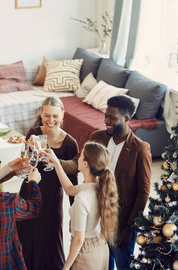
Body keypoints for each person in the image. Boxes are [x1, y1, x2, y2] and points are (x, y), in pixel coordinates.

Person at [62, 95, 152, 270]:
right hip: (96, 220)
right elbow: (78, 162)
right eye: (106, 116)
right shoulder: (97, 137)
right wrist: (56, 162)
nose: (106, 121)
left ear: (126, 119)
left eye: (112, 118)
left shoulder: (140, 149)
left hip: (121, 221)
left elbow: (144, 192)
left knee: (123, 264)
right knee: (104, 263)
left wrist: (129, 228)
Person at [17, 96, 79, 270]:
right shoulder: (33, 133)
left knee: (50, 243)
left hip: (51, 200)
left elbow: (72, 183)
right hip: (29, 194)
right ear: (40, 114)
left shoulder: (70, 144)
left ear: (62, 115)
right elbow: (25, 169)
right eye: (47, 116)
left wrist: (74, 216)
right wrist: (28, 151)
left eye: (55, 116)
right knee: (26, 239)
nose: (51, 121)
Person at [44, 142, 119, 270]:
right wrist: (56, 163)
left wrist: (66, 267)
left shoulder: (82, 198)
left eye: (81, 155)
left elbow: (79, 240)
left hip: (86, 255)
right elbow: (69, 189)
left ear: (85, 164)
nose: (78, 157)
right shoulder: (100, 186)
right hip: (102, 247)